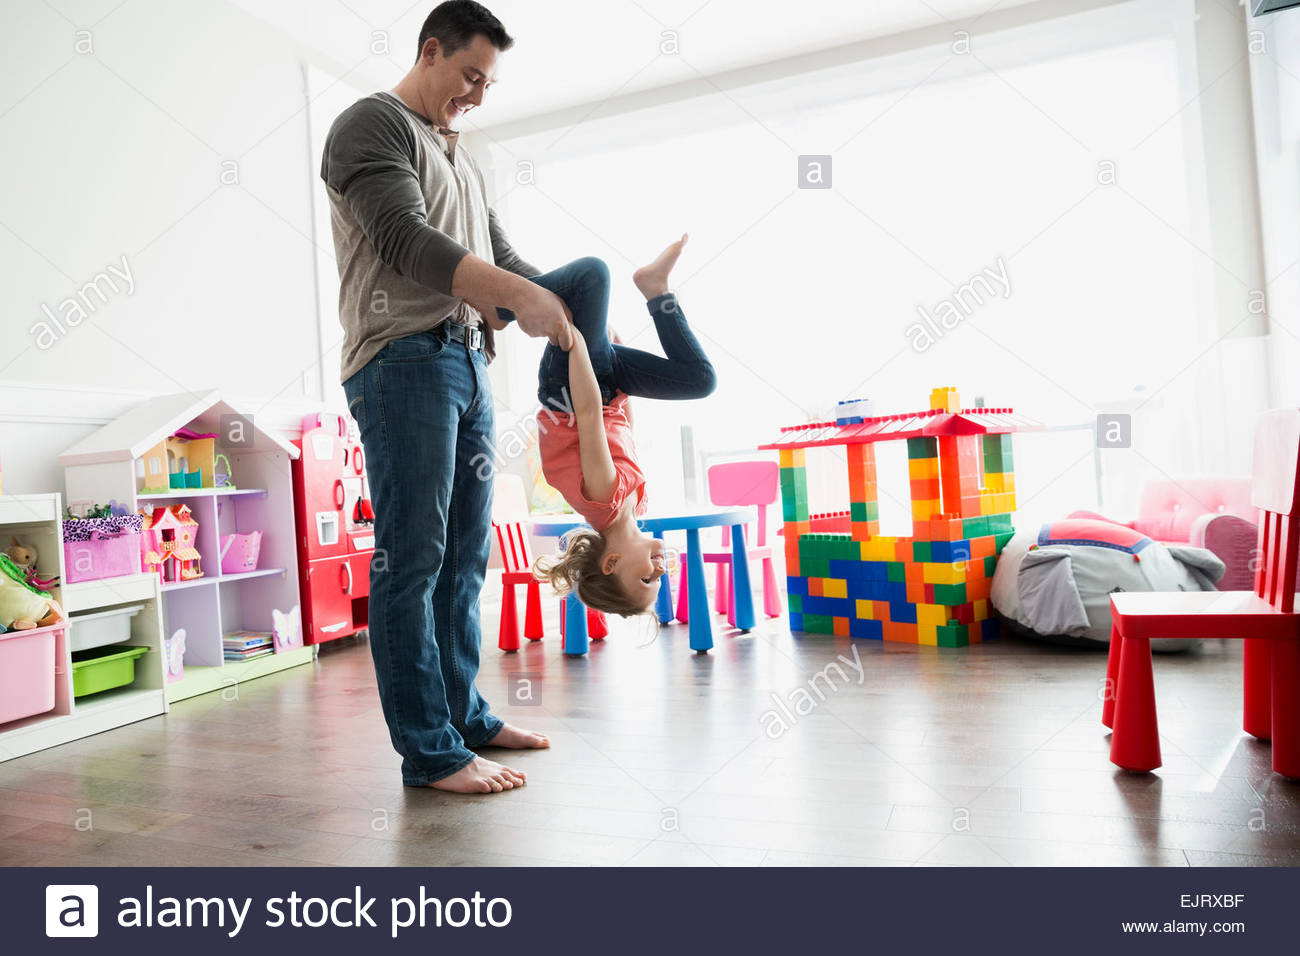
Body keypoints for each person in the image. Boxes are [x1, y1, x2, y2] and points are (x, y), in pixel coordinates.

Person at [320, 1, 570, 794]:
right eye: (470, 75)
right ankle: (430, 752)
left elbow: (495, 254)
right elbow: (407, 241)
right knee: (413, 559)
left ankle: (463, 716)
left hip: (466, 361)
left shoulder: (459, 153)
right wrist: (519, 297)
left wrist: (557, 300)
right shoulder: (371, 126)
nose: (477, 94)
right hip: (401, 363)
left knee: (466, 557)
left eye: (488, 82)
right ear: (430, 51)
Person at [527, 236, 717, 617]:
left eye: (648, 579)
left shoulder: (603, 497)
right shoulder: (636, 504)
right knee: (699, 380)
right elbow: (623, 429)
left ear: (611, 563)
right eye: (659, 582)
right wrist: (618, 352)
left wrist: (577, 346)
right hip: (608, 386)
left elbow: (588, 413)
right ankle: (655, 289)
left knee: (593, 274)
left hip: (571, 385)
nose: (660, 572)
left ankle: (506, 305)